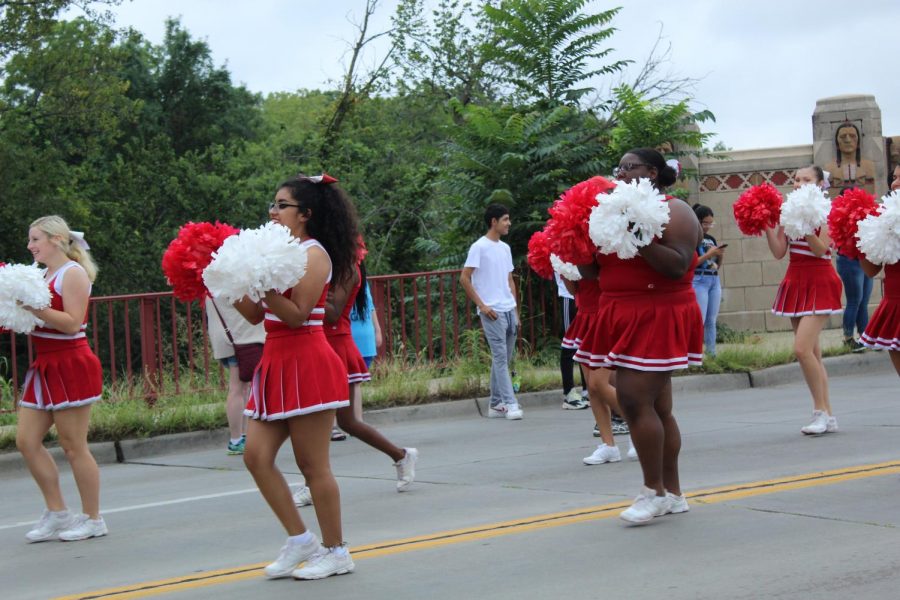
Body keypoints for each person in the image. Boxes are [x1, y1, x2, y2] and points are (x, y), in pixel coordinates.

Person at [233, 175, 358, 580]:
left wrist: (263, 284)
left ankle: (337, 551)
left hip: (307, 359)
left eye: (281, 205)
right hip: (275, 361)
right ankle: (301, 540)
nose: (272, 211)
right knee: (255, 456)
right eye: (272, 204)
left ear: (305, 214)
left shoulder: (314, 253)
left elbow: (298, 314)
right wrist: (231, 279)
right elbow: (256, 316)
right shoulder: (279, 251)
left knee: (311, 465)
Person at [574, 148, 702, 524]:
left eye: (630, 167)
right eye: (619, 168)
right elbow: (592, 273)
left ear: (652, 172)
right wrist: (577, 241)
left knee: (631, 397)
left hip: (659, 311)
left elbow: (678, 265)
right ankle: (674, 494)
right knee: (659, 408)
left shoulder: (675, 211)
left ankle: (653, 492)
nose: (622, 173)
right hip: (619, 311)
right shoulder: (609, 211)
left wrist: (639, 234)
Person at [17, 216, 107, 542]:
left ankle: (94, 519)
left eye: (35, 239)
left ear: (56, 239)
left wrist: (32, 307)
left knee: (73, 446)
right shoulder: (42, 274)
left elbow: (71, 323)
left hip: (71, 362)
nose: (30, 246)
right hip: (44, 364)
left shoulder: (73, 273)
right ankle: (57, 512)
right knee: (26, 441)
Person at [765, 165, 843, 435]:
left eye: (806, 179)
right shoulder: (788, 210)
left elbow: (821, 249)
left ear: (820, 183)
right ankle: (828, 415)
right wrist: (768, 225)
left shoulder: (828, 211)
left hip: (820, 280)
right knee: (813, 354)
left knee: (801, 349)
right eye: (796, 180)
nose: (798, 183)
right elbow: (778, 252)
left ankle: (819, 412)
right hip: (795, 280)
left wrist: (806, 225)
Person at [460, 204, 522, 420]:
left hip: (508, 309)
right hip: (492, 311)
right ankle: (510, 403)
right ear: (493, 222)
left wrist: (515, 311)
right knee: (500, 357)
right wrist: (483, 305)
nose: (509, 223)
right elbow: (464, 278)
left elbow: (509, 280)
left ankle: (495, 404)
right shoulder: (479, 247)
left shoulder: (505, 248)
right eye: (505, 219)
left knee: (503, 358)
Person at [205, 296, 265, 454]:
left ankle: (242, 437)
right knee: (237, 388)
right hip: (239, 338)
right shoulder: (231, 279)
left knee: (242, 388)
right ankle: (236, 439)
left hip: (226, 338)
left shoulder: (210, 280)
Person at [859, 164, 900, 375]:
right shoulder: (885, 217)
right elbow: (871, 270)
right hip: (894, 302)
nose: (895, 183)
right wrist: (856, 242)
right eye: (894, 177)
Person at [691, 204, 725, 357]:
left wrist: (720, 254)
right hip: (699, 279)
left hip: (713, 279)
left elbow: (717, 265)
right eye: (706, 223)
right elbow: (691, 263)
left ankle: (712, 354)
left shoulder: (711, 239)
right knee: (700, 319)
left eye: (711, 223)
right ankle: (696, 355)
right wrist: (708, 254)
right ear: (697, 221)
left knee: (711, 320)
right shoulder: (691, 237)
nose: (708, 227)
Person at [557, 273, 588, 410]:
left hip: (586, 296)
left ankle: (587, 389)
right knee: (569, 345)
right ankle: (569, 392)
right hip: (569, 297)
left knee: (586, 344)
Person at [824, 122, 877, 195]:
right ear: (837, 142)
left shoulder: (869, 166)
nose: (848, 140)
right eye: (843, 136)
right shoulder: (829, 169)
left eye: (852, 136)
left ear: (858, 141)